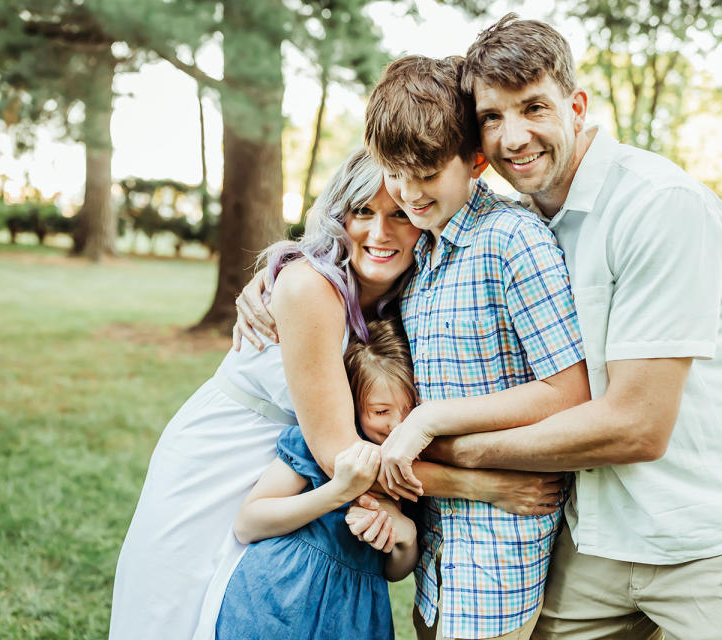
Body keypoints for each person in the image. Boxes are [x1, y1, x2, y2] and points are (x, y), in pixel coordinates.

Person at [415, 14, 722, 640]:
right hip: (593, 537)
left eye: (533, 107)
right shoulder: (517, 228)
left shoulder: (658, 206)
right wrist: (289, 272)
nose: (514, 137)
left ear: (576, 105)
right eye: (492, 116)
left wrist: (457, 451)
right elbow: (391, 212)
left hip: (715, 540)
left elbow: (637, 425)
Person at [110, 149, 564, 640]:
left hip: (283, 467)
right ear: (338, 215)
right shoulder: (310, 285)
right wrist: (482, 485)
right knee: (170, 610)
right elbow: (342, 458)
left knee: (233, 605)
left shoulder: (402, 294)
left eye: (399, 214)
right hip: (221, 457)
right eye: (362, 212)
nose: (379, 233)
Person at [365, 55, 590, 640]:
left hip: (496, 555)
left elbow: (569, 392)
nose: (409, 193)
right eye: (395, 172)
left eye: (428, 172)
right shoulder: (424, 253)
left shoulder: (511, 240)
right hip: (440, 560)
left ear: (476, 160)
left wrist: (430, 419)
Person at [214, 319, 420, 640]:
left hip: (354, 616)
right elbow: (247, 524)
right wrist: (339, 491)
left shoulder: (412, 469)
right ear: (353, 405)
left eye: (411, 411)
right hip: (278, 601)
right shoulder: (317, 446)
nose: (398, 424)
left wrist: (404, 535)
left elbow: (395, 572)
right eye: (381, 411)